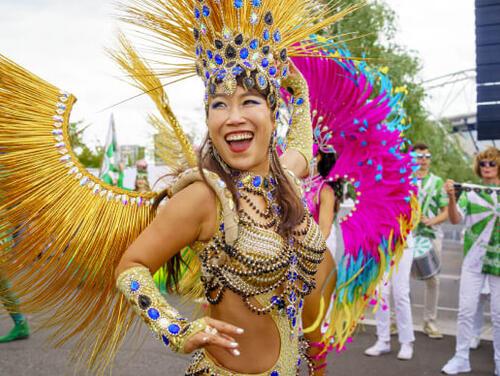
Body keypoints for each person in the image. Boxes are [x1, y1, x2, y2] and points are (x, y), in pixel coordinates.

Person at [441, 146, 499, 375]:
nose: (486, 167)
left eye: (491, 163)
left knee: (498, 315)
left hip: (498, 263)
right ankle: (461, 357)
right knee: (465, 311)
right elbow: (455, 219)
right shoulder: (471, 192)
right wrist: (451, 198)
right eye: (483, 163)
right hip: (473, 261)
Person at [413, 142, 449, 339]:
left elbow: (446, 212)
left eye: (427, 156)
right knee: (400, 281)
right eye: (419, 157)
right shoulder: (404, 181)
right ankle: (394, 320)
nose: (423, 160)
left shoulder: (437, 182)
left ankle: (430, 321)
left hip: (431, 235)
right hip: (408, 236)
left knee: (433, 279)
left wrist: (431, 221)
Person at [364, 235, 415, 360]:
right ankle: (383, 340)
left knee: (401, 294)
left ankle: (406, 342)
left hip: (403, 245)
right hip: (381, 245)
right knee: (379, 293)